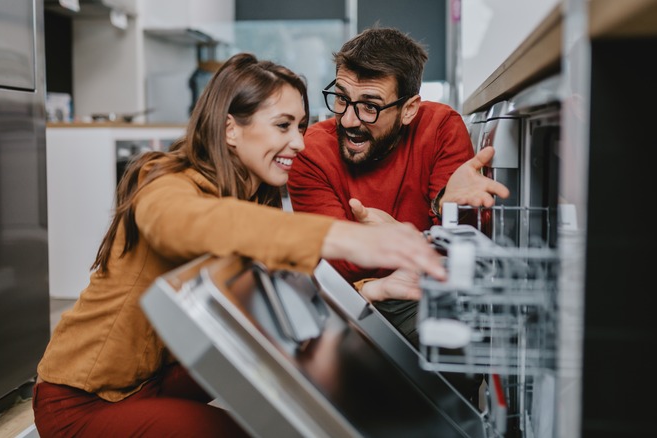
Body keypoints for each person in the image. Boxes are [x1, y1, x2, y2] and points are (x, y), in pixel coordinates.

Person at [32, 52, 446, 438]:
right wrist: (345, 237)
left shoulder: (247, 197)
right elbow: (183, 225)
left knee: (272, 372)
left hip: (152, 381)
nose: (300, 143)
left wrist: (371, 290)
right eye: (283, 126)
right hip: (81, 402)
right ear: (231, 128)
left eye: (301, 127)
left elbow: (281, 301)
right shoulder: (163, 182)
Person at [286, 26, 510, 405]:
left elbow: (458, 258)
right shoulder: (310, 153)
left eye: (370, 105)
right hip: (352, 304)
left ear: (409, 109)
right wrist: (417, 238)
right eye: (341, 99)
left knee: (450, 324)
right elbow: (337, 267)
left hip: (429, 294)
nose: (349, 121)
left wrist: (444, 209)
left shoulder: (440, 127)